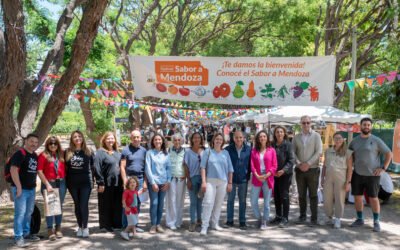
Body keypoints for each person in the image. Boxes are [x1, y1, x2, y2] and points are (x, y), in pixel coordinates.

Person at [349, 117, 392, 232]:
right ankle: (359, 219)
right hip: (357, 174)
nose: (366, 126)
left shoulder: (376, 140)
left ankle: (376, 221)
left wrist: (383, 168)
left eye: (368, 125)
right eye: (364, 125)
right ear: (360, 126)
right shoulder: (354, 141)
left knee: (373, 198)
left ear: (371, 127)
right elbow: (349, 157)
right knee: (357, 198)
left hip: (372, 175)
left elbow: (389, 153)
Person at [200, 133, 234, 236]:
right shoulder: (208, 152)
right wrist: (204, 182)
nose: (219, 141)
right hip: (210, 181)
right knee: (208, 203)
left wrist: (230, 183)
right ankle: (204, 226)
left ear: (223, 141)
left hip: (223, 182)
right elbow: (203, 167)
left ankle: (214, 223)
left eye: (220, 139)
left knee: (218, 204)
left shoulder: (226, 153)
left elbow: (230, 169)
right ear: (213, 140)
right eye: (217, 139)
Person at [10, 133, 40, 247]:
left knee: (28, 213)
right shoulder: (20, 154)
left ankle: (26, 233)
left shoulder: (34, 155)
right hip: (21, 189)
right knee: (20, 214)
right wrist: (18, 187)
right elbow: (13, 170)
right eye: (32, 141)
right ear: (26, 141)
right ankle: (18, 236)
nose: (34, 144)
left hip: (31, 189)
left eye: (36, 142)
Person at [292, 116, 322, 225]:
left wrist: (308, 164)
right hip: (300, 170)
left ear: (311, 123)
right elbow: (293, 152)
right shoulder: (296, 137)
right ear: (300, 123)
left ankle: (314, 218)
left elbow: (319, 151)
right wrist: (299, 163)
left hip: (313, 169)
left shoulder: (316, 136)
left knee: (313, 195)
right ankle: (302, 216)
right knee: (301, 195)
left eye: (307, 122)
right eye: (303, 123)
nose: (305, 125)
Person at [321, 132, 353, 229]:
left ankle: (338, 218)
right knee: (327, 198)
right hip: (328, 177)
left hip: (341, 178)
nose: (338, 140)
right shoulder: (328, 151)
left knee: (339, 198)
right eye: (336, 138)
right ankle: (328, 216)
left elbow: (350, 169)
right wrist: (322, 177)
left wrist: (348, 182)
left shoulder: (348, 152)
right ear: (333, 140)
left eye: (339, 138)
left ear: (343, 140)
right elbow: (324, 165)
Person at [65, 130, 94, 238]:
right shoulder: (67, 151)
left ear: (83, 138)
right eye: (75, 137)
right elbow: (65, 167)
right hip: (72, 183)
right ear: (72, 139)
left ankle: (85, 227)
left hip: (86, 183)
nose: (77, 138)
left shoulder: (88, 151)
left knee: (83, 204)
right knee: (77, 205)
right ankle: (80, 227)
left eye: (79, 136)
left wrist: (94, 181)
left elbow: (93, 167)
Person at [37, 136, 66, 240]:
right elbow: (39, 171)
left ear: (58, 144)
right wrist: (47, 184)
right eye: (51, 143)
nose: (53, 145)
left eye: (55, 143)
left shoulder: (62, 154)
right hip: (49, 183)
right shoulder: (43, 155)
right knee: (50, 207)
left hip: (61, 183)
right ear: (47, 145)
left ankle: (58, 228)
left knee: (59, 206)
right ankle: (50, 229)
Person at [94, 132, 123, 232]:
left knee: (117, 204)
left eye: (112, 138)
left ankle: (116, 224)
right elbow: (96, 168)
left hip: (118, 183)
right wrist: (100, 182)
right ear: (104, 140)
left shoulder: (118, 153)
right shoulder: (100, 152)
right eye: (108, 139)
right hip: (106, 184)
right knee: (105, 204)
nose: (110, 140)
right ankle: (105, 225)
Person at [120, 130, 148, 232]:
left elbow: (146, 168)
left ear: (141, 138)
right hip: (129, 180)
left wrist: (145, 182)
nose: (136, 139)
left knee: (137, 203)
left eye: (138, 137)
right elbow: (122, 167)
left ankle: (135, 225)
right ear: (131, 138)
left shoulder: (144, 151)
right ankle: (125, 225)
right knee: (127, 203)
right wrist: (124, 180)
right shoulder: (125, 150)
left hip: (139, 180)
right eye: (134, 137)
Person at [250, 130, 277, 230]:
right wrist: (257, 175)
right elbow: (252, 165)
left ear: (267, 138)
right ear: (258, 138)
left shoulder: (272, 150)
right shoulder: (254, 151)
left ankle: (264, 221)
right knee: (253, 201)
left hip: (268, 177)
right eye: (260, 136)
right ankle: (259, 218)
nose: (262, 138)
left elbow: (274, 165)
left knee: (266, 202)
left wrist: (267, 175)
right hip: (257, 177)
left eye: (264, 136)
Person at [224, 130, 251, 229]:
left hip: (243, 180)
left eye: (240, 137)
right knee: (230, 200)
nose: (239, 139)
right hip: (231, 180)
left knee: (242, 201)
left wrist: (248, 176)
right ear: (233, 138)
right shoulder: (227, 149)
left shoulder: (248, 149)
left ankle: (242, 221)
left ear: (244, 138)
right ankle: (229, 221)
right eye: (236, 137)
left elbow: (250, 164)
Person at [145, 133, 172, 234]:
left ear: (162, 141)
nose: (158, 141)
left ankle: (158, 224)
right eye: (155, 140)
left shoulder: (166, 154)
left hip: (164, 183)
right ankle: (153, 225)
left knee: (161, 205)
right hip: (154, 183)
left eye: (159, 140)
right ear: (153, 141)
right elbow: (147, 169)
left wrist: (168, 181)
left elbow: (169, 168)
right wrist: (152, 183)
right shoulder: (149, 153)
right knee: (154, 204)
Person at [271, 126, 295, 228]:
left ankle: (285, 217)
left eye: (281, 132)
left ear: (284, 133)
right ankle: (278, 216)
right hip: (274, 174)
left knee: (284, 196)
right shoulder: (272, 145)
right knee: (276, 195)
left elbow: (291, 160)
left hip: (285, 175)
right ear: (275, 134)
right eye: (277, 132)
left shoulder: (288, 145)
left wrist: (283, 170)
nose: (279, 134)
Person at [184, 132, 205, 232]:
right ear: (192, 140)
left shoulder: (205, 151)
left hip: (202, 179)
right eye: (195, 138)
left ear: (201, 139)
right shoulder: (188, 152)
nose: (197, 139)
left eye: (198, 137)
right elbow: (186, 166)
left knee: (200, 200)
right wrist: (188, 180)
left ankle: (199, 220)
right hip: (193, 178)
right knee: (193, 202)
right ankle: (192, 222)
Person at [165, 134, 186, 230]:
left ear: (181, 141)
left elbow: (186, 165)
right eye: (175, 140)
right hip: (171, 178)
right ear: (173, 141)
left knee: (180, 200)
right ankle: (171, 221)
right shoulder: (169, 151)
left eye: (179, 140)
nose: (177, 142)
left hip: (181, 178)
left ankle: (178, 221)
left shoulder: (185, 151)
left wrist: (185, 175)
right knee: (171, 200)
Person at [120, 176, 143, 241]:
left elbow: (135, 198)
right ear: (128, 184)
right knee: (132, 223)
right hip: (129, 210)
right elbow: (123, 200)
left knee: (134, 222)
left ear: (136, 184)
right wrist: (125, 207)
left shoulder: (135, 191)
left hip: (134, 209)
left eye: (134, 182)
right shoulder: (126, 191)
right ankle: (124, 232)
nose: (132, 183)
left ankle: (134, 234)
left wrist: (142, 192)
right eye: (130, 183)